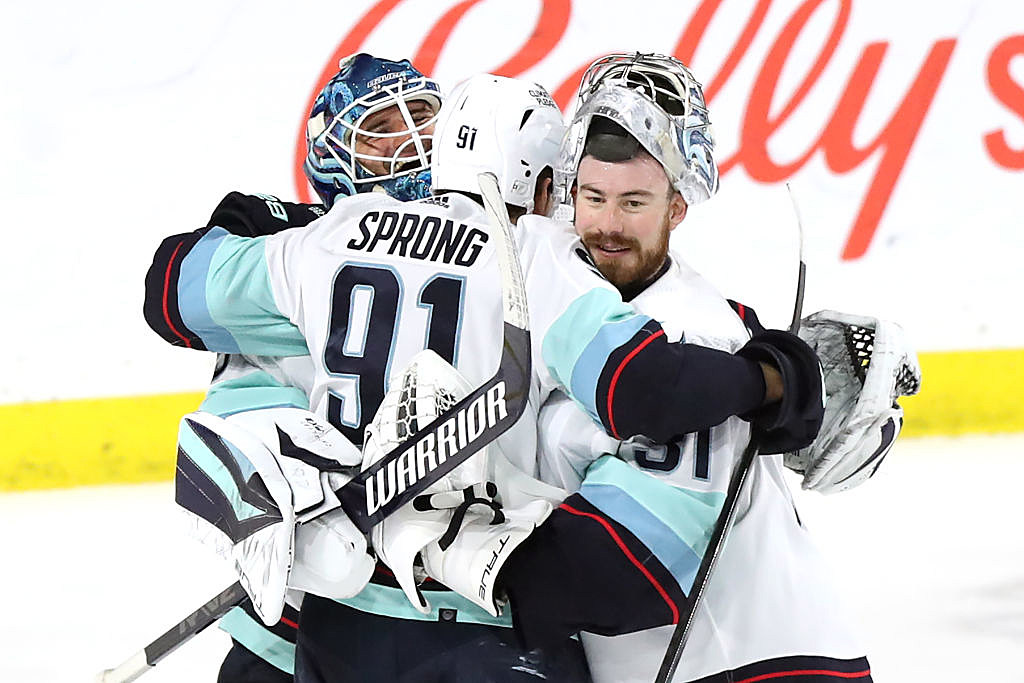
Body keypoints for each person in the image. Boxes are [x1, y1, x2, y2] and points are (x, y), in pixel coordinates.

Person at [144, 71, 824, 682]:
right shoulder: (537, 259)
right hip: (486, 634)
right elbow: (639, 390)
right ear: (550, 184)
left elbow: (170, 292)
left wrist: (266, 222)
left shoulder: (333, 234)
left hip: (333, 624)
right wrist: (769, 380)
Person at [425, 53, 919, 682]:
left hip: (758, 667)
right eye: (593, 197)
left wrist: (433, 553)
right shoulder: (566, 307)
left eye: (635, 202)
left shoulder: (695, 339)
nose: (607, 226)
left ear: (677, 209)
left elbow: (623, 573)